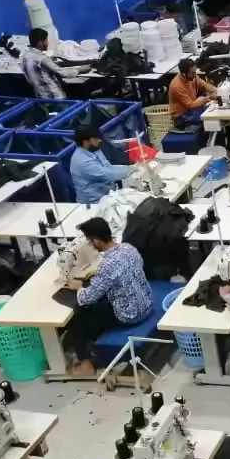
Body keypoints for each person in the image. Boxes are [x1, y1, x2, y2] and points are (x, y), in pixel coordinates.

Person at [62, 217, 152, 377]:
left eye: (90, 241)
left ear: (96, 241)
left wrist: (79, 287)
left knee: (78, 319)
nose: (90, 245)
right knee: (102, 302)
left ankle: (86, 364)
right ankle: (95, 344)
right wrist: (101, 280)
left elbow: (87, 298)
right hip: (147, 303)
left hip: (130, 315)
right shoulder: (129, 248)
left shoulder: (107, 265)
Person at [69, 124, 131, 205]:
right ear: (85, 141)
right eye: (96, 139)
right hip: (94, 203)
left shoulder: (94, 150)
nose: (99, 141)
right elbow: (107, 175)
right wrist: (131, 170)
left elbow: (108, 167)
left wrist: (129, 167)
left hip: (108, 195)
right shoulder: (82, 161)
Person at [21, 27, 90, 99]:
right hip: (55, 97)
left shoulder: (24, 57)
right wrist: (80, 70)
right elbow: (63, 73)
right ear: (40, 42)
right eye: (46, 40)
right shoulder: (42, 59)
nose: (47, 43)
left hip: (40, 98)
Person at [168, 59, 216, 127]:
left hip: (191, 110)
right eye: (192, 73)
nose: (195, 75)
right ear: (184, 74)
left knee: (213, 109)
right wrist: (208, 98)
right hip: (182, 117)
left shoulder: (192, 77)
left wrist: (216, 91)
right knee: (211, 117)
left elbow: (204, 85)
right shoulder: (176, 86)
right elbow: (191, 105)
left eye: (195, 72)